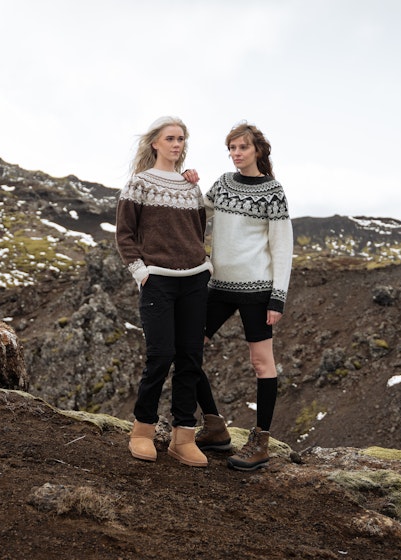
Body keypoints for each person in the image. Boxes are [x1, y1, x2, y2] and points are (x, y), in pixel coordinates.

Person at [115, 116, 211, 468]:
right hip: (158, 280)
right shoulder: (138, 184)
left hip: (195, 280)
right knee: (160, 355)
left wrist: (205, 264)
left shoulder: (191, 188)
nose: (177, 144)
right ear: (154, 142)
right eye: (170, 138)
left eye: (181, 139)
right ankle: (142, 431)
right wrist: (141, 272)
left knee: (190, 358)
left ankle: (183, 437)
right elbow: (124, 234)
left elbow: (197, 230)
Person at [196, 122, 293, 471]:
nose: (236, 154)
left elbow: (282, 247)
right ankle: (213, 425)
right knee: (186, 347)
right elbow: (197, 208)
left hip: (257, 291)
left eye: (242, 148)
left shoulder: (273, 191)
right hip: (218, 288)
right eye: (232, 149)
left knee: (261, 363)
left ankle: (261, 441)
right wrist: (186, 181)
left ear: (258, 151)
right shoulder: (222, 184)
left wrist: (277, 298)